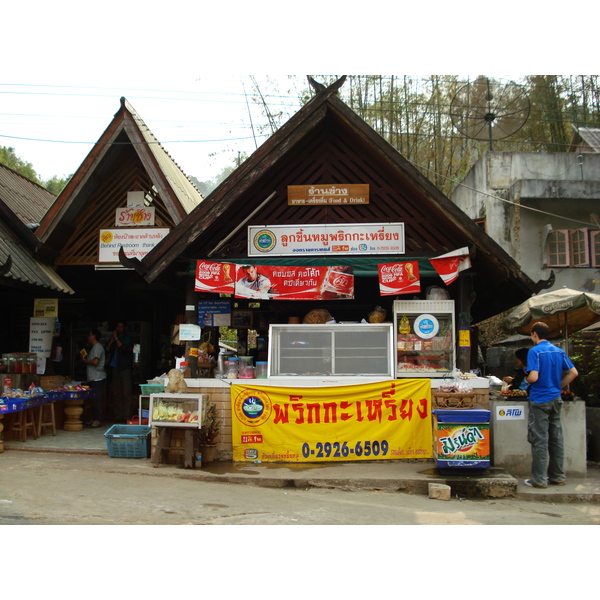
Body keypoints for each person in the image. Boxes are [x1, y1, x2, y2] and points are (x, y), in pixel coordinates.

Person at [524, 322, 578, 488]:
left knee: (539, 440)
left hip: (540, 400)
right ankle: (557, 476)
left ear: (534, 334)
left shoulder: (535, 351)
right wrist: (559, 387)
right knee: (556, 439)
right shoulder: (559, 351)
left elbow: (533, 377)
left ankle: (539, 480)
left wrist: (526, 380)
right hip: (556, 400)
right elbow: (573, 373)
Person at [105, 321, 134, 422]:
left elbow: (124, 349)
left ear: (124, 328)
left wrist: (116, 339)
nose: (119, 329)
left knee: (126, 392)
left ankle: (126, 416)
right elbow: (107, 349)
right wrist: (112, 340)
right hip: (115, 367)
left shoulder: (127, 338)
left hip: (125, 368)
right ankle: (118, 415)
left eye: (121, 327)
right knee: (116, 393)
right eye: (118, 327)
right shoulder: (113, 338)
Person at [81, 329, 106, 427]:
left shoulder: (97, 347)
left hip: (98, 378)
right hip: (93, 378)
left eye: (90, 335)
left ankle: (98, 419)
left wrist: (85, 361)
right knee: (92, 400)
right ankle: (93, 419)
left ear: (94, 336)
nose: (88, 337)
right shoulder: (94, 347)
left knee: (97, 400)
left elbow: (95, 362)